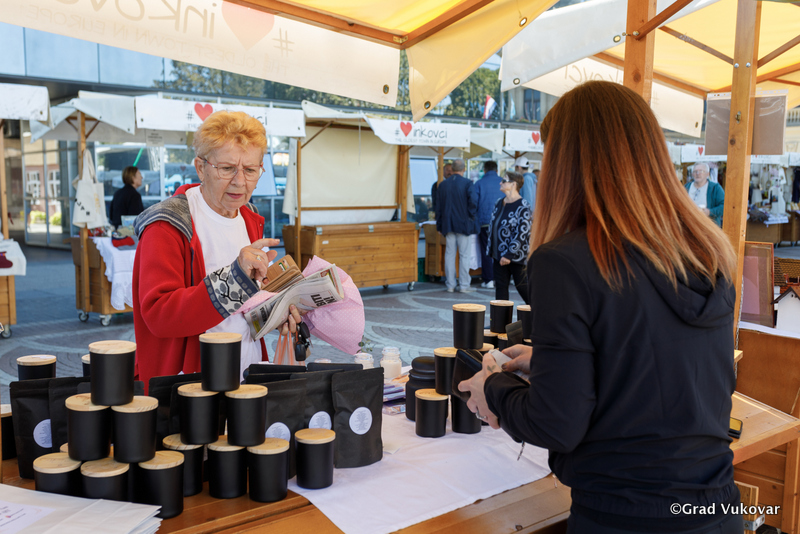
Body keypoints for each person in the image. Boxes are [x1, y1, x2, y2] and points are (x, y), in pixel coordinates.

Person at [459, 81, 741, 534]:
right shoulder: (706, 253)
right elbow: (656, 364)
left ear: (565, 165)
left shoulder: (565, 262)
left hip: (626, 518)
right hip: (716, 510)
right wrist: (551, 361)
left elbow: (555, 424)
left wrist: (492, 388)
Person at [133, 111, 301, 390]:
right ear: (200, 168)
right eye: (227, 168)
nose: (240, 181)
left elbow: (242, 310)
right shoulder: (167, 224)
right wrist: (235, 279)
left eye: (250, 170)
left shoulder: (249, 217)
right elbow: (159, 315)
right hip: (190, 388)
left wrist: (277, 309)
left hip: (246, 376)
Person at [486, 172, 531, 303]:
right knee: (500, 288)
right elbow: (493, 226)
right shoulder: (499, 203)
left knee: (523, 287)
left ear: (513, 184)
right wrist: (493, 250)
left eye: (504, 181)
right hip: (498, 255)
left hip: (516, 256)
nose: (500, 183)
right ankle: (501, 317)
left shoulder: (523, 205)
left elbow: (522, 232)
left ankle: (538, 313)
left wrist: (509, 254)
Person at [435, 159, 478, 293]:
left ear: (452, 169)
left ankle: (450, 285)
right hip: (464, 224)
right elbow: (473, 202)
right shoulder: (467, 183)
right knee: (464, 255)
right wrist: (471, 216)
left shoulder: (443, 185)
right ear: (464, 169)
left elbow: (438, 207)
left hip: (447, 224)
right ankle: (464, 285)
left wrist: (439, 225)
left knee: (449, 255)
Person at [473, 161, 504, 289]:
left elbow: (474, 203)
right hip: (502, 222)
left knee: (487, 251)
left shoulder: (479, 183)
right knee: (501, 250)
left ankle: (489, 280)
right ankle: (502, 279)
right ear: (496, 170)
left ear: (484, 170)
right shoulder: (504, 182)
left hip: (485, 222)